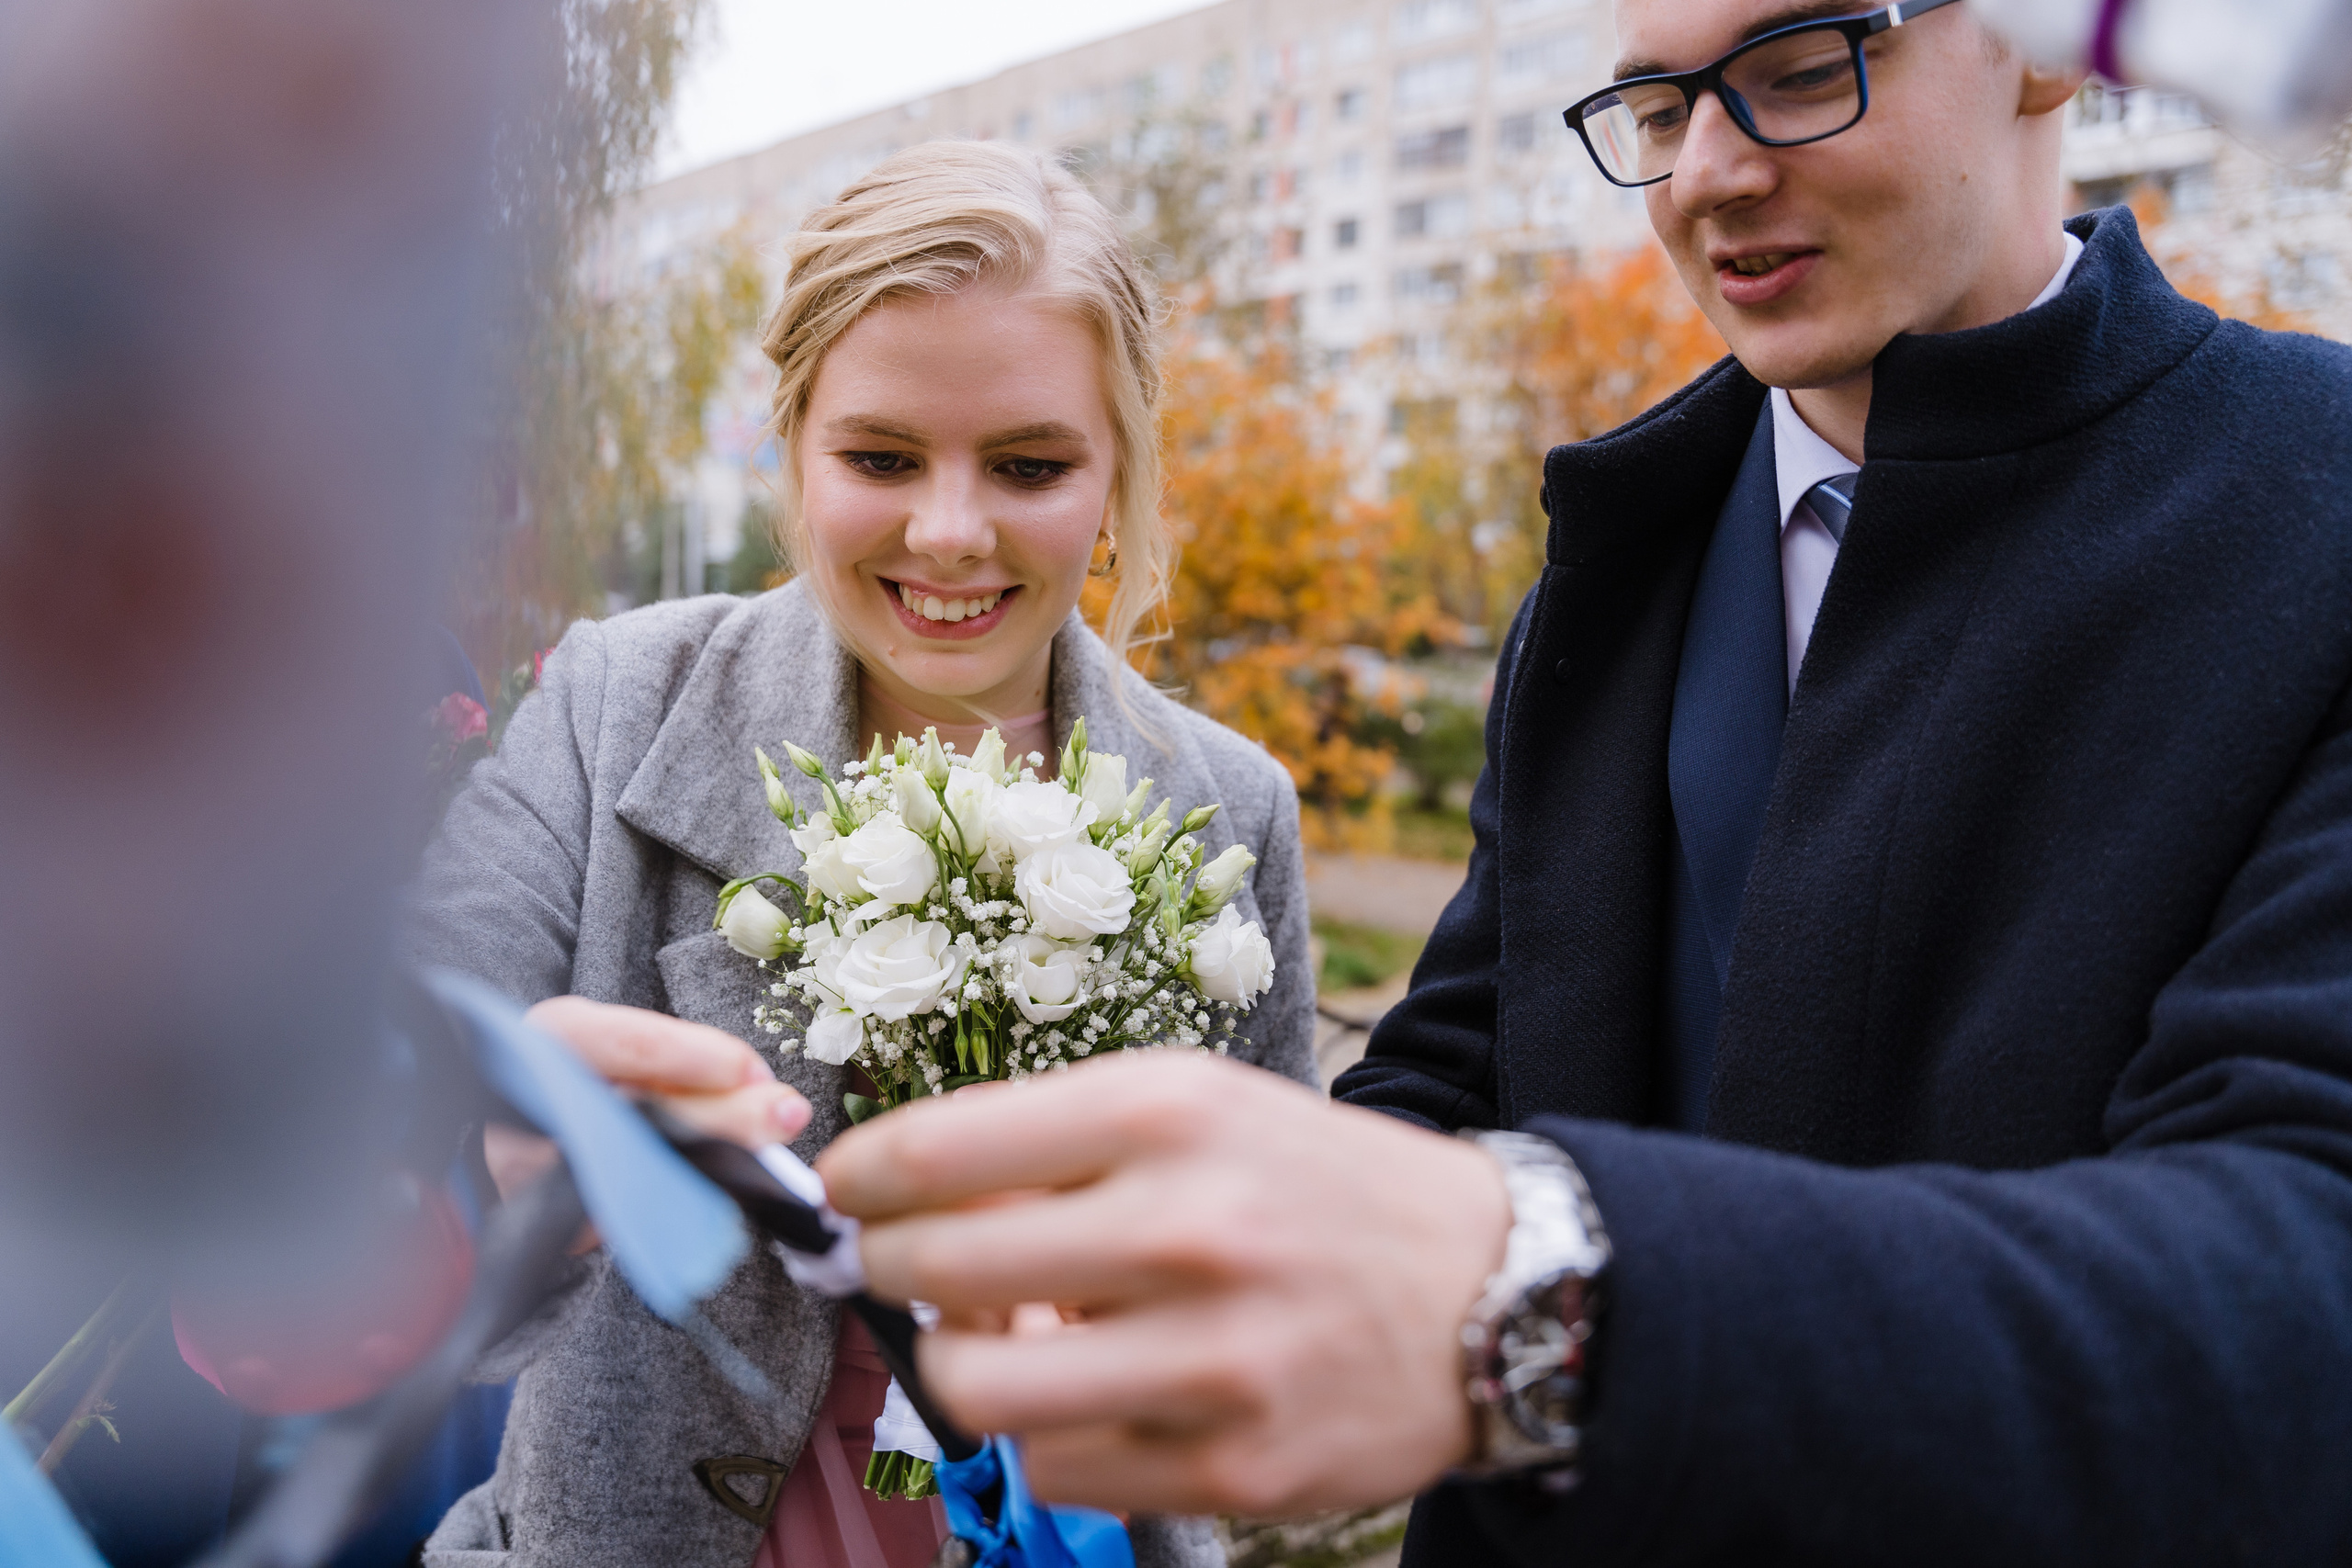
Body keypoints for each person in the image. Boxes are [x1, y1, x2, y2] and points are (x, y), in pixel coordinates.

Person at [808, 2, 2352, 1562]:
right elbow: (1473, 1061)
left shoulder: (2323, 510)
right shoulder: (1620, 561)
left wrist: (1550, 1290)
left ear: (2047, 45)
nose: (1706, 176)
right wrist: (1167, 1260)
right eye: (1659, 108)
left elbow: (2302, 1270)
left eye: (1802, 69)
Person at [410, 140, 1317, 1568]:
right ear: (792, 441)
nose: (950, 534)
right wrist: (493, 1144)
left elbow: (1280, 1319)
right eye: (882, 457)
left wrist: (1165, 1322)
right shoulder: (610, 705)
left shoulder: (1231, 809)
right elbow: (386, 1068)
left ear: (1118, 468)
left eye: (1028, 465)